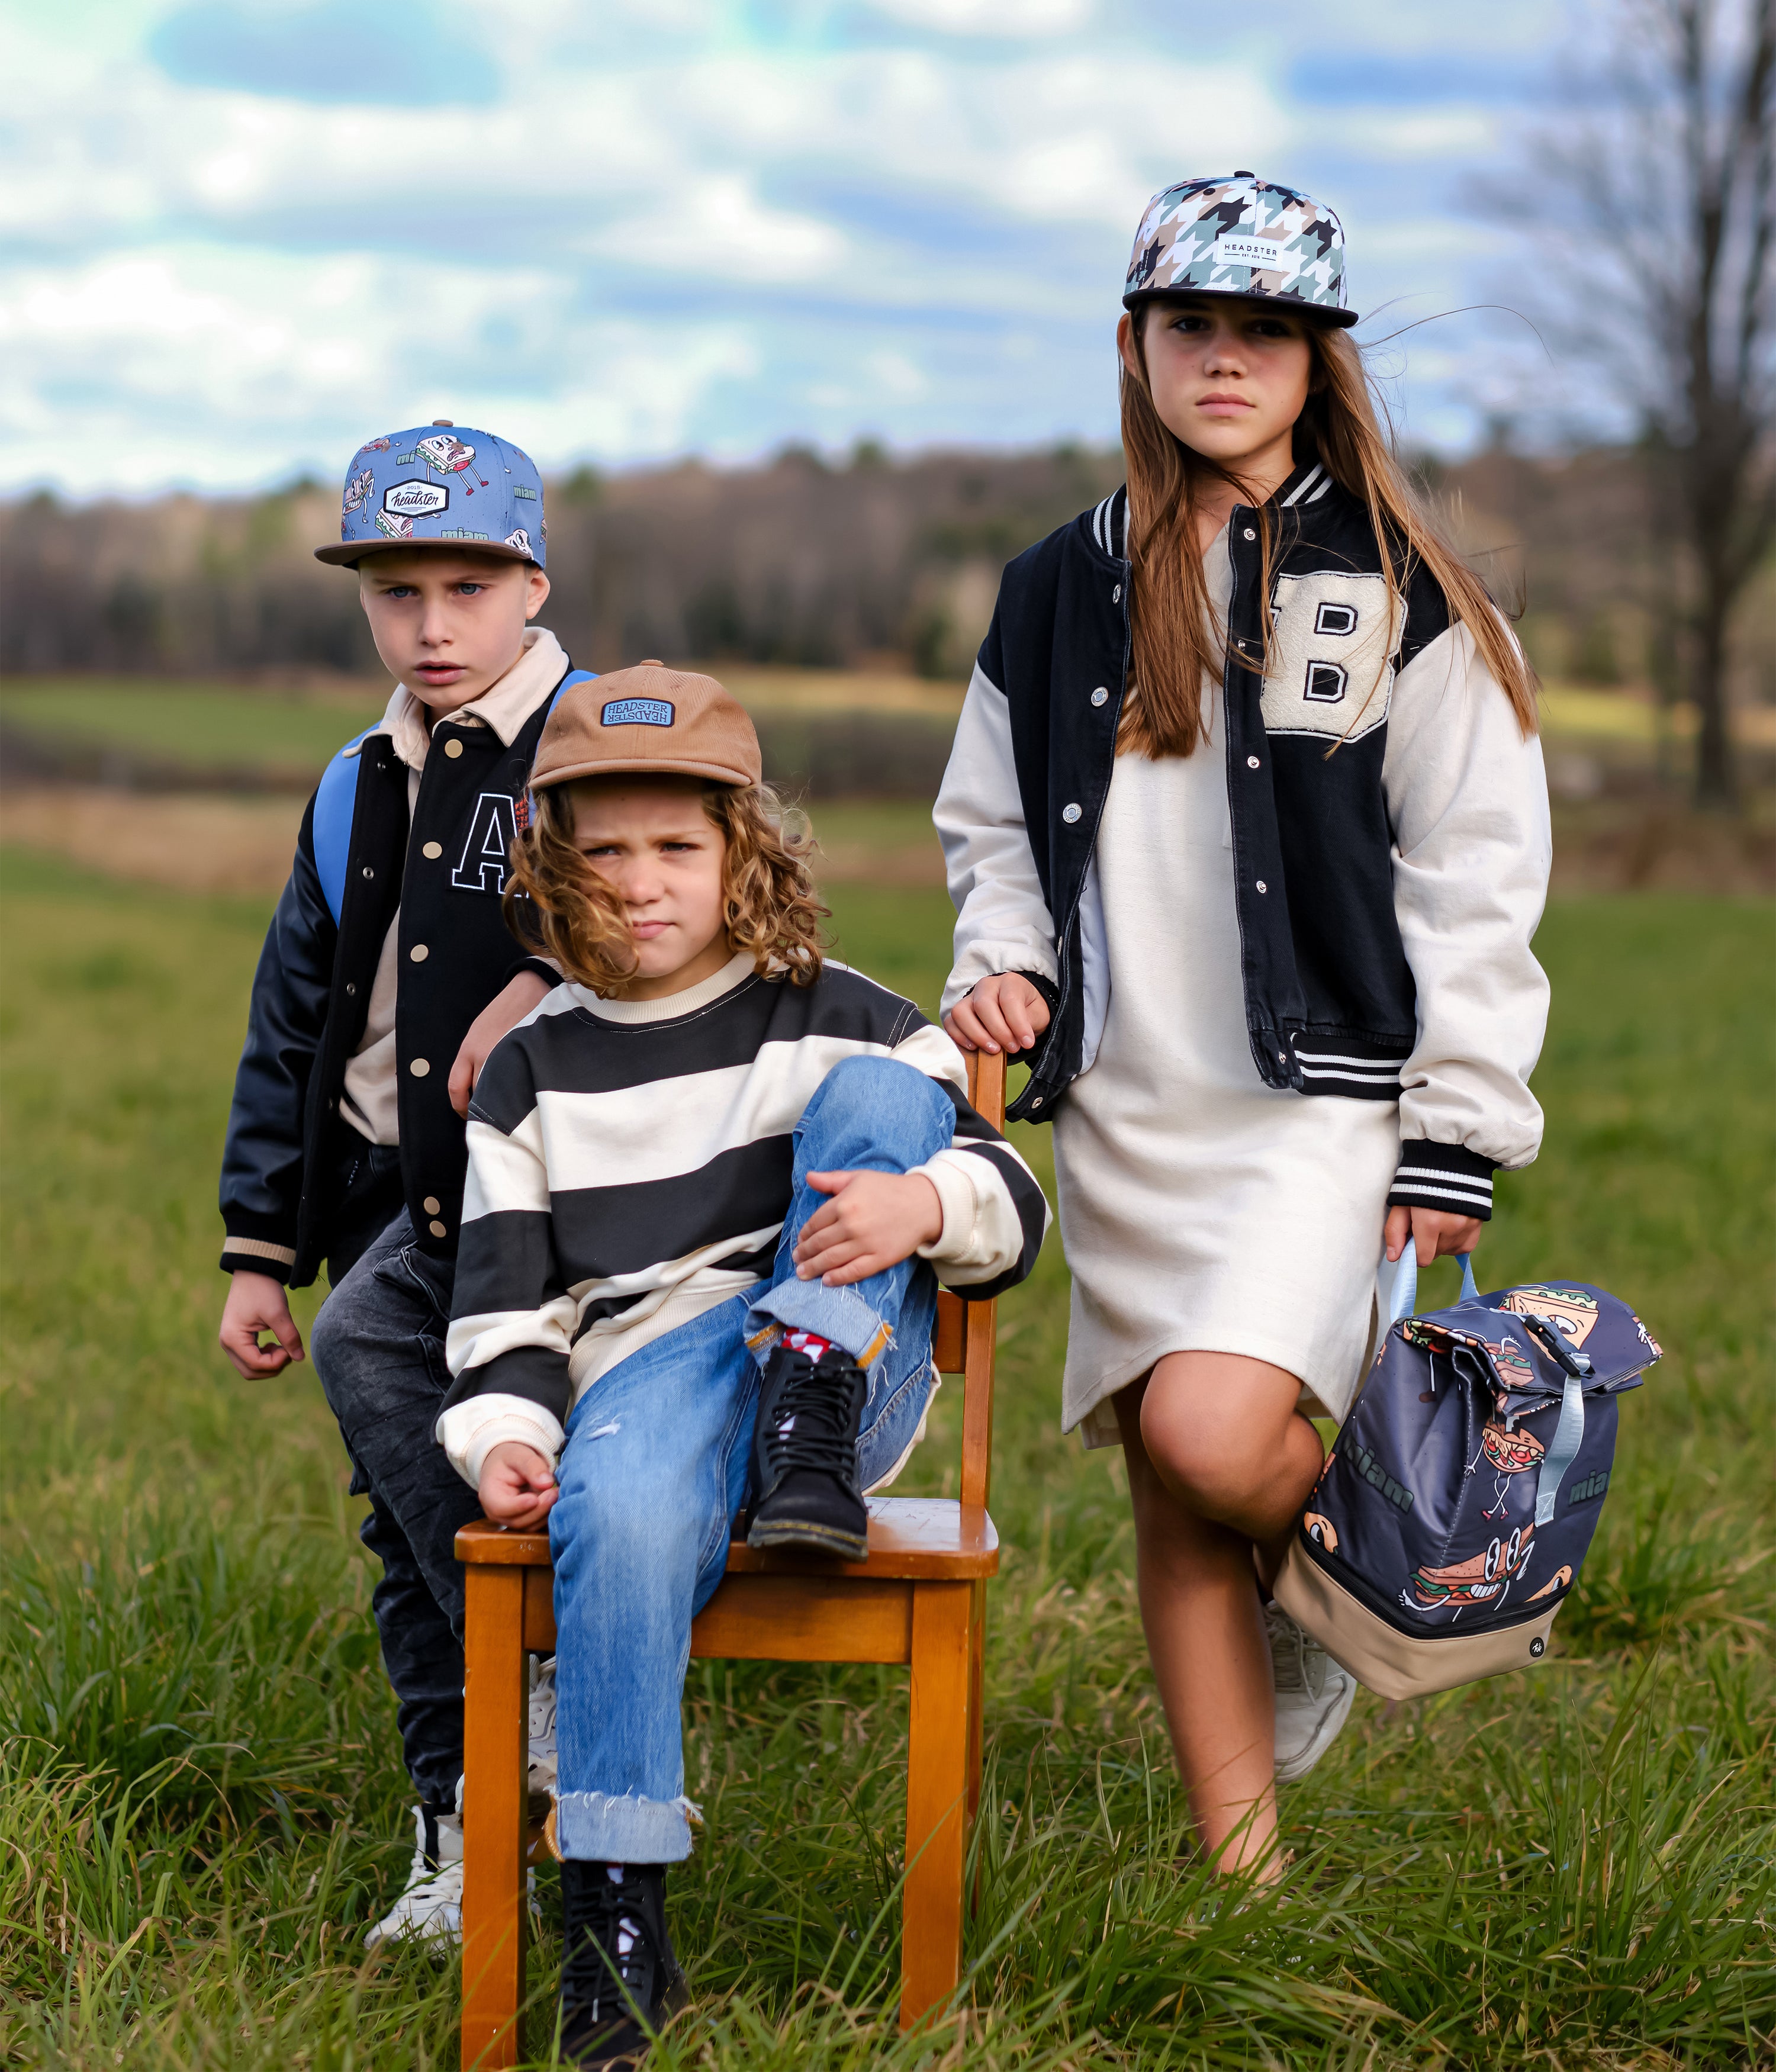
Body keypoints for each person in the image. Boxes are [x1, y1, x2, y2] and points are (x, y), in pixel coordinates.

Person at [934, 173, 1551, 1878]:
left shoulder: (1395, 587)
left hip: (1318, 1105)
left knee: (1220, 1437)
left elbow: (1479, 870)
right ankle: (1245, 1878)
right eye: (1189, 323)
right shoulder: (1058, 586)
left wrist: (1458, 1125)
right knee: (1171, 1485)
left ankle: (1424, 1555)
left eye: (1263, 328)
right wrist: (1007, 961)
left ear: (1318, 356)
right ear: (1133, 346)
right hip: (1130, 1106)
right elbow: (992, 828)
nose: (1224, 357)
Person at [437, 663, 1048, 2066]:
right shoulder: (535, 1069)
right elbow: (504, 1311)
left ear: (744, 852)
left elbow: (1013, 1211)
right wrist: (502, 1439)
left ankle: (801, 1402)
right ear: (552, 868)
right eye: (602, 853)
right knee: (626, 1500)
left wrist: (921, 1206)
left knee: (895, 1095)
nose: (640, 884)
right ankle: (617, 1922)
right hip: (645, 1401)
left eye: (677, 848)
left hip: (844, 1392)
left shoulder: (844, 1011)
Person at [215, 421, 578, 1945]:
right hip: (371, 1188)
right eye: (396, 591)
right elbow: (294, 1018)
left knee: (517, 1477)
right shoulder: (354, 781)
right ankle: (459, 1824)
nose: (432, 626)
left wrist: (546, 978)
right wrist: (258, 1247)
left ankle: (562, 1703)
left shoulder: (598, 744)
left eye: (467, 587)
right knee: (397, 1517)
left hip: (537, 1204)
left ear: (532, 582)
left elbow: (684, 938)